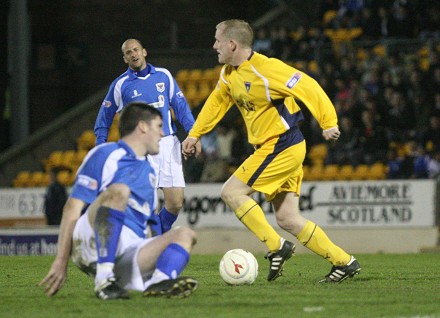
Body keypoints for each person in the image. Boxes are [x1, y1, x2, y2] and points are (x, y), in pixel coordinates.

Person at [182, 19, 361, 283]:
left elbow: (308, 86)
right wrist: (195, 134)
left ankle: (276, 246)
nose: (214, 46)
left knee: (231, 192)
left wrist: (328, 122)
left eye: (217, 40)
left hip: (282, 144)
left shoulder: (266, 69)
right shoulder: (229, 74)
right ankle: (344, 262)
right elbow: (216, 103)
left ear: (232, 44)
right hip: (278, 146)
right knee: (288, 218)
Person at [40, 102, 198, 300]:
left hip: (127, 255)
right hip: (90, 245)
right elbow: (72, 208)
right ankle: (104, 279)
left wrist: (158, 257)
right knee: (120, 191)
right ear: (142, 126)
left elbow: (151, 228)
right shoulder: (105, 154)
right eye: (159, 126)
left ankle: (158, 282)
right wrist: (61, 261)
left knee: (185, 234)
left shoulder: (149, 173)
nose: (162, 133)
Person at [94, 39, 201, 235]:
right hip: (140, 150)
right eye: (128, 52)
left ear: (144, 51)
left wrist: (194, 135)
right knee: (148, 208)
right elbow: (103, 121)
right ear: (125, 58)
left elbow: (182, 109)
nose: (133, 54)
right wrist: (100, 149)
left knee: (176, 202)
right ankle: (152, 247)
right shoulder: (120, 85)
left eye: (136, 50)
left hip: (168, 144)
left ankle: (156, 238)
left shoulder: (164, 76)